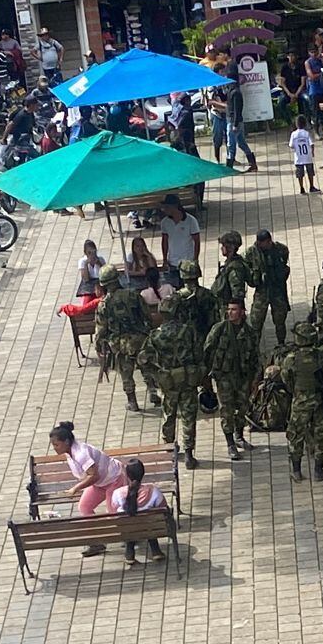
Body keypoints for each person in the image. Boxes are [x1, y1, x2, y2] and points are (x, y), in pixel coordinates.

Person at [139, 309, 205, 468]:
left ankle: (169, 449)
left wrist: (156, 373)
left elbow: (143, 358)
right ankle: (189, 453)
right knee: (189, 416)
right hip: (188, 380)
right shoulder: (189, 331)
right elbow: (199, 354)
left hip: (168, 382)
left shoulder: (156, 335)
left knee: (169, 415)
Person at [276, 321, 323, 481]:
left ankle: (296, 471)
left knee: (296, 435)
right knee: (322, 434)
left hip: (300, 402)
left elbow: (286, 380)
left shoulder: (291, 358)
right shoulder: (322, 354)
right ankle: (318, 471)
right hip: (320, 400)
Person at [97, 263, 160, 411]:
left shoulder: (103, 305)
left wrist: (99, 346)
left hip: (119, 345)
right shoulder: (133, 294)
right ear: (117, 278)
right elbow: (146, 316)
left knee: (126, 373)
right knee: (147, 367)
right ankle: (153, 394)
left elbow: (101, 329)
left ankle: (132, 402)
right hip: (139, 339)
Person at [48, 421, 126, 537]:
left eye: (56, 445)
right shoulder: (70, 452)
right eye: (53, 445)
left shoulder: (81, 454)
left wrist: (76, 488)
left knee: (113, 514)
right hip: (100, 484)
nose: (54, 448)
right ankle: (97, 540)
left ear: (67, 442)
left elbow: (94, 476)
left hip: (114, 479)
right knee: (85, 507)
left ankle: (129, 537)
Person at [205, 295, 260, 460]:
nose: (230, 312)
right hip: (225, 378)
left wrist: (255, 379)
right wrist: (210, 373)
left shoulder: (250, 333)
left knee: (242, 408)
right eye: (228, 309)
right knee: (227, 411)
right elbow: (207, 350)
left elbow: (256, 357)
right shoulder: (220, 329)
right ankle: (230, 443)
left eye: (234, 309)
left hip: (243, 378)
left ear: (242, 312)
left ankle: (239, 436)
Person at [106, 457, 169, 565]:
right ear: (143, 474)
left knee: (129, 524)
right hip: (149, 529)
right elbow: (163, 509)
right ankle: (155, 550)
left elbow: (113, 512)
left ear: (127, 475)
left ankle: (129, 552)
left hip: (127, 530)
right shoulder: (154, 491)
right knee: (149, 522)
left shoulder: (117, 493)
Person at [243, 229, 291, 356]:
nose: (266, 244)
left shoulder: (281, 250)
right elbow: (245, 267)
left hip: (277, 290)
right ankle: (254, 348)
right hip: (262, 291)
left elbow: (284, 264)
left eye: (267, 242)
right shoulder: (251, 253)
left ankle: (282, 344)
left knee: (280, 320)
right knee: (256, 321)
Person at [158, 193, 201, 278]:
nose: (164, 210)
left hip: (188, 261)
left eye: (167, 207)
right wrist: (165, 259)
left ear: (174, 206)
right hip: (173, 261)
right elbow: (164, 241)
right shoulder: (165, 222)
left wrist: (195, 259)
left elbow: (197, 241)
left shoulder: (191, 221)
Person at [223, 70, 258, 172]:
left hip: (234, 121)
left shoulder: (236, 93)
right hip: (233, 120)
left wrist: (235, 124)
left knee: (231, 144)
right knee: (241, 143)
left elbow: (238, 109)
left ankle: (229, 166)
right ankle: (252, 163)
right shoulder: (231, 91)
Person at [288, 115, 319, 194]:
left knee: (300, 174)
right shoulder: (306, 133)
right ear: (305, 124)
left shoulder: (293, 134)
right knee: (310, 172)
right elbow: (311, 144)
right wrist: (312, 152)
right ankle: (311, 186)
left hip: (298, 157)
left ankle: (301, 188)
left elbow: (291, 145)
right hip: (307, 156)